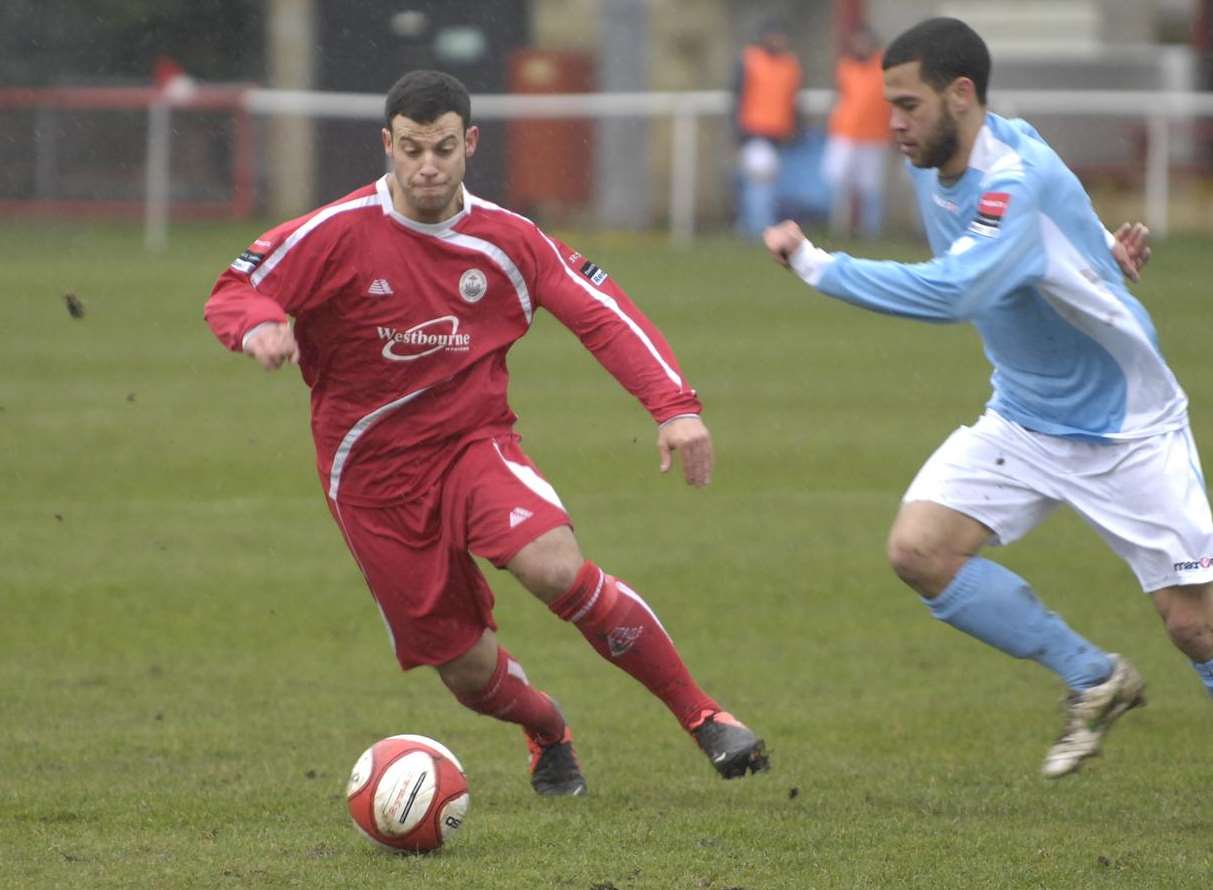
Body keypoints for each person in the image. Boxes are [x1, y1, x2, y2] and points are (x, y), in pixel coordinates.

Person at [204, 70, 768, 797]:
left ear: (469, 142)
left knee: (555, 568)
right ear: (387, 145)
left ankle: (704, 717)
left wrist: (674, 407)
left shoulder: (508, 240)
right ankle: (546, 726)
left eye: (442, 147)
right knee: (469, 673)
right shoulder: (331, 233)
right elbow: (235, 288)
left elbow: (599, 310)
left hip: (475, 446)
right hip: (371, 482)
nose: (427, 166)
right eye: (410, 149)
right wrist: (258, 327)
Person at [763, 17, 1213, 778]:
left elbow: (956, 290)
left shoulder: (1012, 171)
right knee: (919, 550)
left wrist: (816, 265)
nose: (893, 123)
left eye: (907, 104)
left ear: (961, 94)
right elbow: (1051, 214)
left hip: (1122, 423)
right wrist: (1097, 250)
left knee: (1193, 627)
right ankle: (1093, 676)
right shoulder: (939, 156)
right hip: (1025, 414)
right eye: (889, 104)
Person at [732, 17, 803, 238]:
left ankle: (750, 226)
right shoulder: (750, 60)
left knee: (768, 186)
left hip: (780, 133)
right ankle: (758, 229)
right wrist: (737, 131)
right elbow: (737, 95)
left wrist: (796, 128)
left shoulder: (790, 64)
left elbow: (793, 99)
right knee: (759, 183)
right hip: (755, 130)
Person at [821, 25, 891, 239]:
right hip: (845, 133)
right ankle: (839, 230)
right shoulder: (846, 66)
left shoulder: (884, 67)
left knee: (871, 188)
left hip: (874, 136)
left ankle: (871, 233)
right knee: (839, 183)